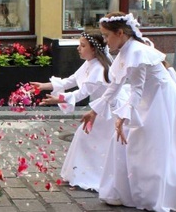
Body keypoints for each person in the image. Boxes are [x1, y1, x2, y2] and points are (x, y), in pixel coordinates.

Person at [82, 12, 176, 212]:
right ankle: (122, 190)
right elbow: (115, 86)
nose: (105, 41)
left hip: (161, 99)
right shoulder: (125, 51)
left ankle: (156, 194)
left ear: (120, 33)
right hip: (149, 98)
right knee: (129, 141)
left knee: (152, 144)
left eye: (107, 36)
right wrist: (94, 110)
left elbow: (138, 90)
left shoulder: (136, 52)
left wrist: (123, 117)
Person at [31, 32, 119, 191]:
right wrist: (44, 86)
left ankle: (93, 176)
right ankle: (83, 174)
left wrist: (59, 99)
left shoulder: (98, 69)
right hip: (99, 108)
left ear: (93, 49)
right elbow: (71, 80)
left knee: (90, 139)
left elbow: (81, 93)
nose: (78, 48)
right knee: (86, 139)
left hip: (107, 112)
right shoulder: (89, 63)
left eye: (83, 45)